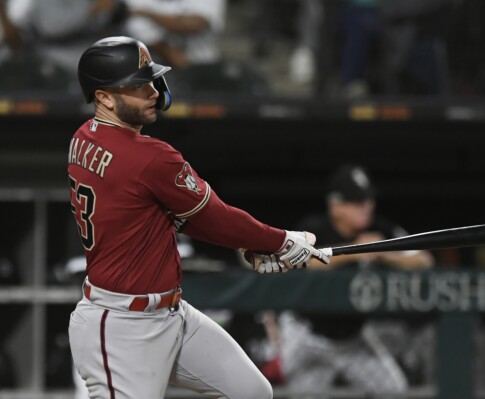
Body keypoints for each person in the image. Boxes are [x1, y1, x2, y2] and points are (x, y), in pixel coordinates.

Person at [67, 36, 329, 399]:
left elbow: (164, 215)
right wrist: (281, 241)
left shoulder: (83, 138)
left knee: (252, 392)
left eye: (150, 82)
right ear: (104, 98)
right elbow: (215, 216)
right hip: (121, 328)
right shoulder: (149, 157)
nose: (153, 93)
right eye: (138, 86)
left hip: (171, 314)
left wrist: (247, 244)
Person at [278, 165, 434, 396]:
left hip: (354, 338)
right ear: (335, 205)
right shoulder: (313, 228)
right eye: (356, 201)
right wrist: (353, 251)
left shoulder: (379, 229)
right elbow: (300, 262)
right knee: (296, 394)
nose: (366, 207)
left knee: (395, 390)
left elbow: (424, 259)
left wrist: (383, 252)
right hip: (308, 335)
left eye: (368, 200)